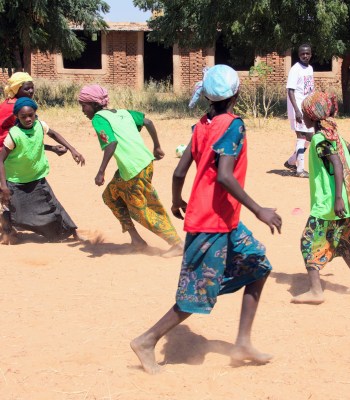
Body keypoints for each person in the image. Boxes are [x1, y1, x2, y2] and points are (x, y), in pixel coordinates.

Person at [130, 65, 282, 374]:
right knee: (197, 293)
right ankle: (147, 340)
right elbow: (225, 176)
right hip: (210, 223)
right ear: (237, 94)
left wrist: (177, 201)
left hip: (225, 220)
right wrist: (259, 209)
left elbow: (178, 171)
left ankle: (242, 343)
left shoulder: (200, 126)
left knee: (259, 265)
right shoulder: (233, 126)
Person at [78, 84, 183, 257]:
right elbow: (147, 121)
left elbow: (111, 143)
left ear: (95, 104)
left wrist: (101, 171)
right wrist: (157, 146)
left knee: (142, 209)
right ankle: (136, 240)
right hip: (143, 164)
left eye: (84, 105)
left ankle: (177, 244)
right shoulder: (123, 113)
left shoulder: (99, 119)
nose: (83, 110)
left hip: (134, 169)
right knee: (110, 196)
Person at [291, 91, 350, 304]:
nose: (302, 117)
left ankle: (316, 291)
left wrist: (337, 199)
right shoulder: (337, 136)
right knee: (345, 243)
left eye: (305, 113)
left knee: (308, 242)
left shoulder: (319, 138)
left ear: (313, 116)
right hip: (345, 204)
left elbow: (335, 163)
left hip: (328, 205)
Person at [0, 97, 85, 243]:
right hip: (16, 180)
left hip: (37, 177)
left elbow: (53, 134)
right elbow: (0, 160)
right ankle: (7, 234)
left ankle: (73, 233)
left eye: (31, 115)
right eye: (23, 117)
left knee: (54, 206)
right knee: (14, 211)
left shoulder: (40, 125)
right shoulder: (13, 135)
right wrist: (4, 185)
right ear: (16, 117)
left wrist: (72, 149)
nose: (28, 119)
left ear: (35, 113)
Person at [0, 72, 66, 155]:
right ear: (16, 90)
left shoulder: (14, 102)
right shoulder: (16, 107)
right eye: (26, 89)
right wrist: (52, 148)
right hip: (7, 152)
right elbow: (26, 138)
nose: (31, 91)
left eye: (32, 87)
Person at [284, 44, 314, 178]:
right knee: (301, 136)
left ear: (311, 54)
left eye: (307, 53)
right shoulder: (295, 69)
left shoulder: (310, 69)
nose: (305, 56)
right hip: (297, 108)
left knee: (310, 137)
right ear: (299, 55)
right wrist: (296, 110)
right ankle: (300, 170)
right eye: (303, 54)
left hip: (307, 108)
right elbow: (290, 90)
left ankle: (291, 161)